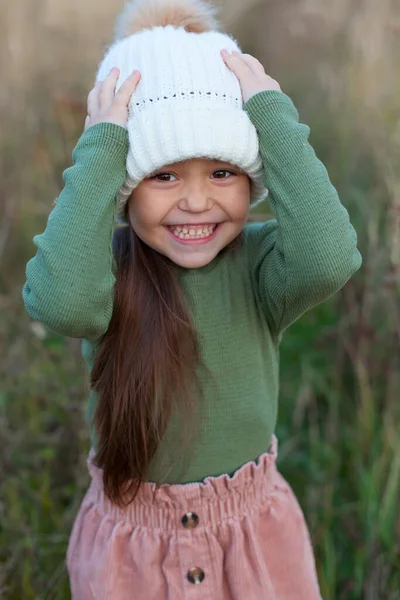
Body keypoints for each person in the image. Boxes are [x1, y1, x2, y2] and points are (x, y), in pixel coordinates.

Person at [22, 0, 362, 598]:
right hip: (134, 549)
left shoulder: (258, 268)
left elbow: (330, 255)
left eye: (223, 173)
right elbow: (60, 302)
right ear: (124, 188)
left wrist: (271, 117)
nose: (198, 202)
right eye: (165, 175)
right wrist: (103, 147)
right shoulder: (106, 272)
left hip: (252, 537)